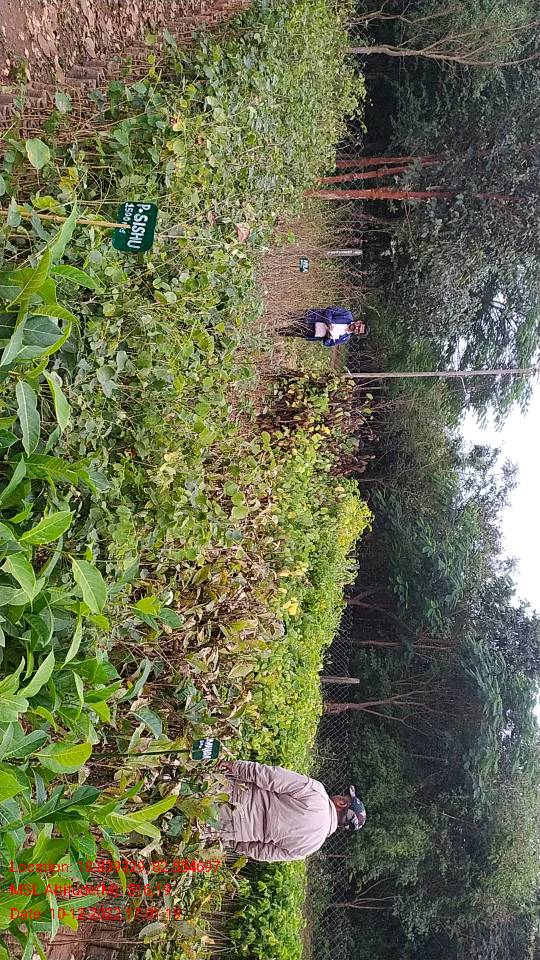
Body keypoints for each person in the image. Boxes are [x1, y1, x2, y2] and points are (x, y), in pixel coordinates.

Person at [198, 759, 366, 862]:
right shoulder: (311, 847)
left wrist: (237, 768)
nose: (340, 795)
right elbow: (263, 852)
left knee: (187, 786)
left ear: (342, 803)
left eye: (344, 796)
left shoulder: (318, 794)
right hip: (232, 830)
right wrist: (233, 841)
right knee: (186, 824)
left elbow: (273, 777)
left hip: (230, 793)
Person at [279, 307, 368, 348]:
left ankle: (274, 331)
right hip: (311, 317)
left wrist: (328, 337)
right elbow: (330, 310)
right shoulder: (347, 314)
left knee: (287, 331)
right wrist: (328, 322)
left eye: (358, 330)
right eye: (359, 326)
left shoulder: (345, 338)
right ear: (359, 322)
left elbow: (328, 344)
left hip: (311, 332)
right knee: (286, 316)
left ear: (357, 334)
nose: (356, 328)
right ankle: (273, 315)